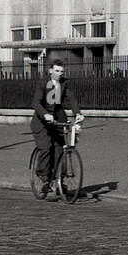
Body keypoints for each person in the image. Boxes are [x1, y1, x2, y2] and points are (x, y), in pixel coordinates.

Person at [30, 59, 83, 198]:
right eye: (57, 71)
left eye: (61, 71)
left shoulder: (64, 83)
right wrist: (45, 114)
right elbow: (35, 102)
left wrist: (77, 113)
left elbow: (71, 98)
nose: (59, 74)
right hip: (42, 121)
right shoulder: (43, 83)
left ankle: (57, 180)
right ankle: (43, 178)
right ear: (50, 71)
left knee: (61, 148)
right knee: (46, 148)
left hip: (58, 118)